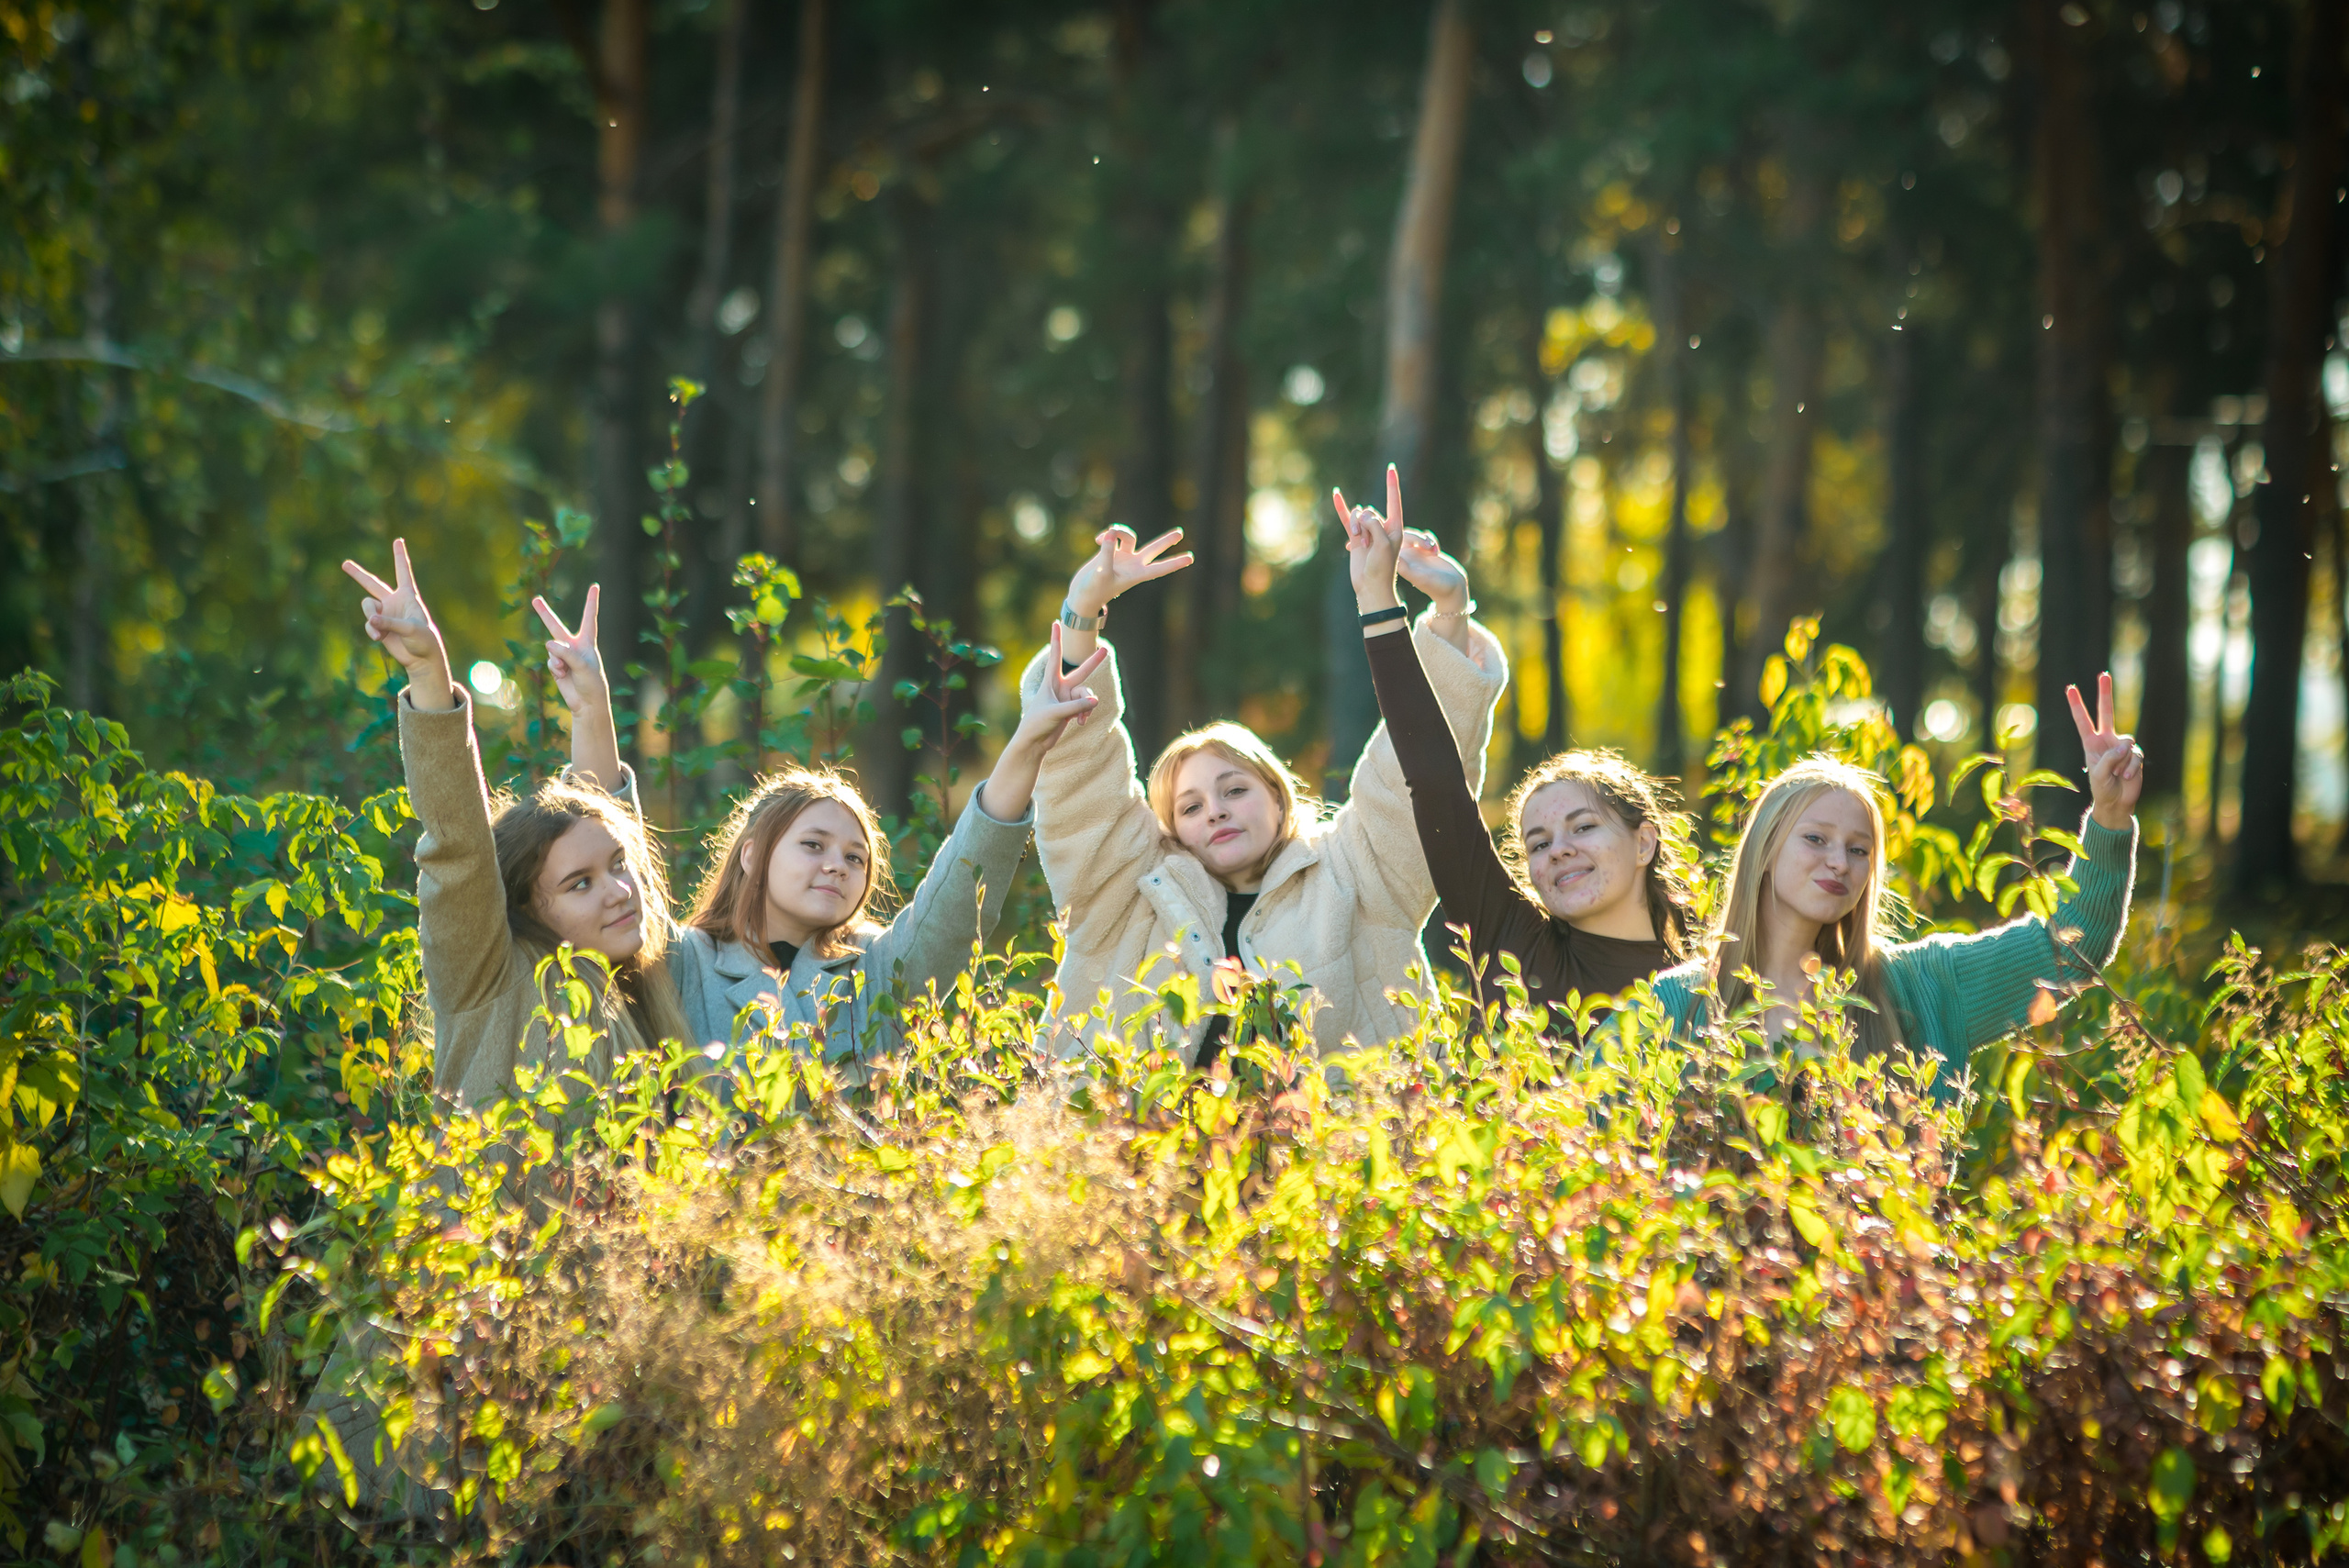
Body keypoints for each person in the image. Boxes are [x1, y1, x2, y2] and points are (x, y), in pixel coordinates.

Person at [1019, 468, 1508, 1066]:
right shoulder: (1126, 889)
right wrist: (1080, 613)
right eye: (1190, 806)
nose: (1215, 810)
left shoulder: (1357, 873)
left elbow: (1422, 772)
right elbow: (1080, 777)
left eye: (1234, 790)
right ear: (1170, 828)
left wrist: (1450, 609)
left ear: (1278, 796)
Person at [528, 584, 1108, 1073]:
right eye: (813, 845)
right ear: (752, 855)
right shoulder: (682, 963)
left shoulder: (879, 969)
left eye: (856, 858)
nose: (837, 864)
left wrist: (1028, 743)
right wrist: (591, 708)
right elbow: (608, 851)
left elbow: (960, 893)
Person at [1641, 675, 2144, 1098]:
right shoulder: (1675, 1005)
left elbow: (2070, 949)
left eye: (1859, 850)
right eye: (1816, 839)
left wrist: (2110, 814)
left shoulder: (1924, 987)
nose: (1839, 862)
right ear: (1764, 850)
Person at [340, 544, 689, 1115]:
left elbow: (606, 826)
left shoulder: (644, 980)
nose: (621, 891)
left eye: (619, 867)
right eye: (580, 884)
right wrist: (428, 672)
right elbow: (459, 845)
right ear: (523, 905)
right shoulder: (492, 980)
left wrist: (591, 709)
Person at [1346, 474, 1692, 1021]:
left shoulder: (1715, 986)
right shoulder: (1509, 939)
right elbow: (1435, 781)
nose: (1558, 850)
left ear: (1644, 841)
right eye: (1538, 843)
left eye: (1583, 827)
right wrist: (1381, 601)